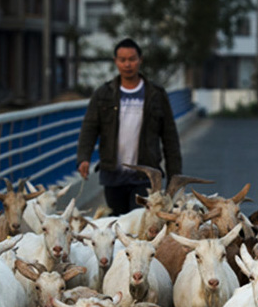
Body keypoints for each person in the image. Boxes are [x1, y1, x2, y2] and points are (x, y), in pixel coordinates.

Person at [76, 38, 182, 215]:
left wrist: (175, 177)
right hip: (113, 176)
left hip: (145, 177)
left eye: (132, 59)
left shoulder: (156, 94)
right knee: (117, 223)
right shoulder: (103, 94)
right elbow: (89, 128)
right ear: (115, 61)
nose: (127, 64)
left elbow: (170, 137)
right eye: (122, 60)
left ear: (140, 60)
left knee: (140, 222)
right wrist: (83, 158)